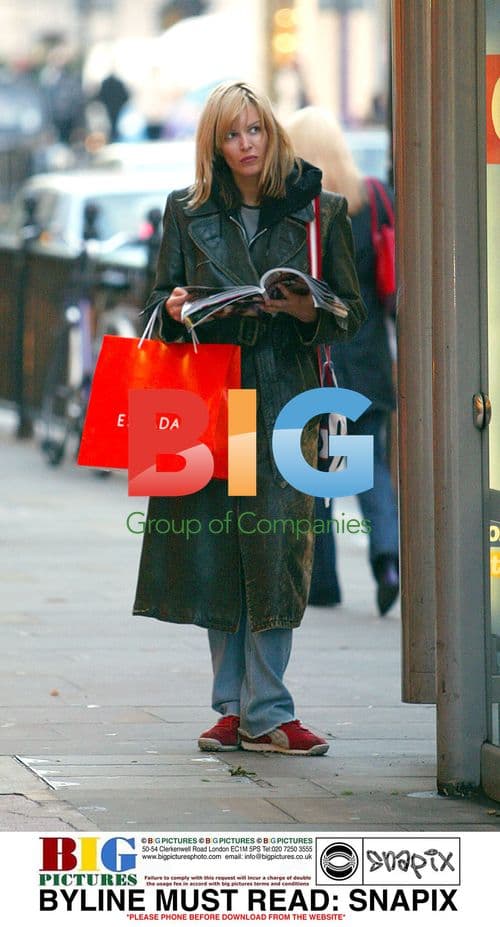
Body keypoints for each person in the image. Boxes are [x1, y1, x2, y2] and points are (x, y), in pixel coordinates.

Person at [133, 82, 366, 755]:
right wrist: (177, 309)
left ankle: (270, 707)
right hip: (211, 395)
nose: (245, 145)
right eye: (232, 135)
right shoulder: (187, 211)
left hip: (289, 400)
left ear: (271, 132)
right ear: (214, 143)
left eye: (254, 131)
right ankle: (231, 707)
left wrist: (302, 309)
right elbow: (158, 302)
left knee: (278, 550)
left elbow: (352, 313)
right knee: (218, 549)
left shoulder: (322, 211)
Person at [286, 106, 399, 616]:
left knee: (319, 472)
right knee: (367, 461)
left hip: (322, 355)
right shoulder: (372, 197)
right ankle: (388, 553)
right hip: (370, 354)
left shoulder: (297, 208)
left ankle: (324, 581)